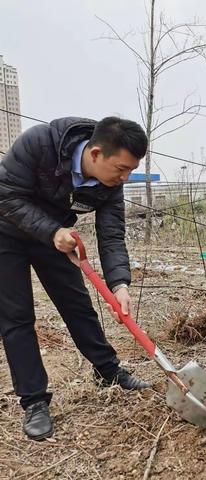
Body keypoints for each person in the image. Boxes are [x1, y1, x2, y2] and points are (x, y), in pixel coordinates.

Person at [0, 116, 151, 441]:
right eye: (121, 168)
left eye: (129, 170)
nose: (125, 177)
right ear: (96, 154)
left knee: (77, 305)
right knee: (17, 318)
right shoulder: (39, 143)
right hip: (6, 232)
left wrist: (119, 285)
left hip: (56, 235)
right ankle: (34, 401)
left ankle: (108, 371)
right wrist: (51, 231)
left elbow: (111, 235)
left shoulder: (111, 185)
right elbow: (6, 195)